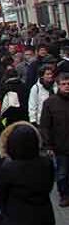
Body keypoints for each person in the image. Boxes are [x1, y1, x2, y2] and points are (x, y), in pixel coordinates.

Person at [0, 122, 59, 225]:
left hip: (18, 221)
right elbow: (49, 187)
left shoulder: (8, 168)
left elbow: (2, 196)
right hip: (44, 218)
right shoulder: (46, 163)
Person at [40, 72, 69, 207]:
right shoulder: (50, 103)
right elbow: (45, 126)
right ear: (57, 85)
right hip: (60, 145)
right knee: (62, 173)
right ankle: (64, 195)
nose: (67, 86)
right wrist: (48, 145)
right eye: (63, 84)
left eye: (68, 84)